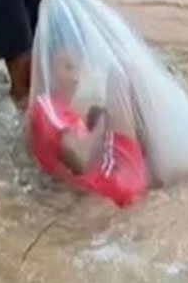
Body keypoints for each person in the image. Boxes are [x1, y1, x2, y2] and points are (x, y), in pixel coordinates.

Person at [27, 48, 148, 207]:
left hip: (120, 181)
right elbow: (78, 156)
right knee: (121, 70)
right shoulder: (46, 105)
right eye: (68, 68)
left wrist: (94, 123)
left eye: (78, 67)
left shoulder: (66, 112)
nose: (76, 77)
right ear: (48, 69)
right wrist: (103, 121)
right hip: (113, 183)